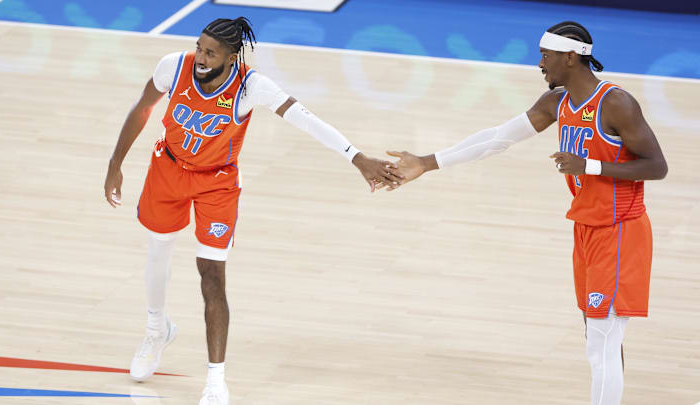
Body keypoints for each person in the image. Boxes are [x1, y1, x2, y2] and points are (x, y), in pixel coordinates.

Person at [103, 17, 403, 405]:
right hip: (169, 168)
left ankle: (215, 381)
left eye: (212, 52)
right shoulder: (173, 66)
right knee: (158, 248)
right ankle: (156, 330)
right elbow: (142, 109)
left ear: (231, 57)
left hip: (217, 181)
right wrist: (115, 163)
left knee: (211, 274)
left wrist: (357, 158)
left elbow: (307, 121)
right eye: (200, 46)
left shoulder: (250, 86)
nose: (201, 57)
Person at [384, 21, 667, 405]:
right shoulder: (558, 103)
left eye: (545, 55)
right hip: (586, 225)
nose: (540, 63)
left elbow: (657, 166)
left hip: (620, 230)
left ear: (570, 57)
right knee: (598, 338)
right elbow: (496, 139)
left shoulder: (616, 103)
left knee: (603, 341)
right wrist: (427, 162)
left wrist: (590, 167)